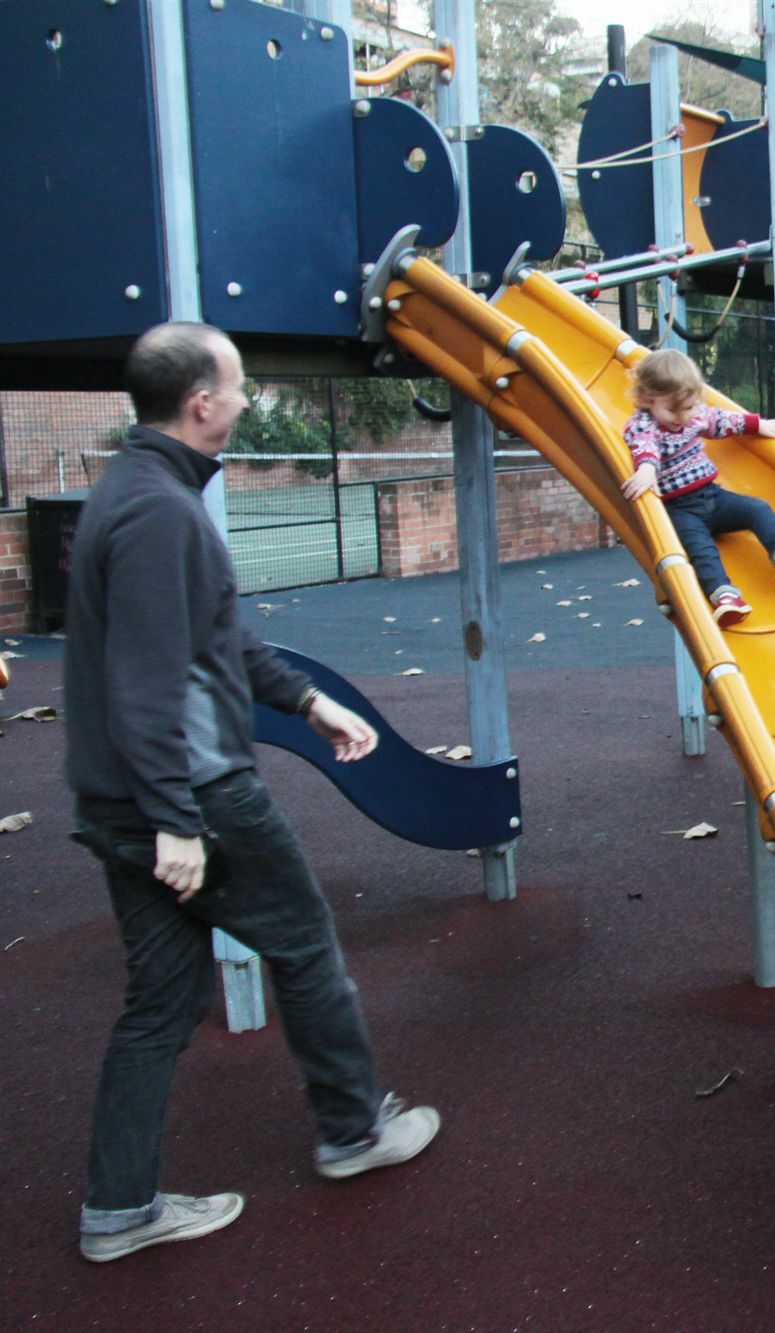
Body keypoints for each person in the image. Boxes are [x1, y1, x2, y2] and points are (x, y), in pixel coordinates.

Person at [64, 322, 440, 1264]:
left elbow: (220, 637)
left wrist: (309, 701)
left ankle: (118, 1209)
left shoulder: (138, 490)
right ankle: (355, 1129)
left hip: (128, 801)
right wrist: (175, 822)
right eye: (236, 388)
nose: (243, 400)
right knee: (306, 946)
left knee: (157, 1001)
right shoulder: (159, 513)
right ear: (200, 404)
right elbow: (147, 680)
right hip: (193, 797)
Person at [617, 348, 775, 627]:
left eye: (687, 407)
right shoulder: (643, 424)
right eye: (671, 409)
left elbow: (721, 421)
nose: (681, 416)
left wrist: (757, 424)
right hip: (680, 510)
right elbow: (644, 446)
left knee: (757, 508)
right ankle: (724, 596)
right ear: (647, 399)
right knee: (701, 551)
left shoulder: (694, 414)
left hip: (713, 496)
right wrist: (647, 469)